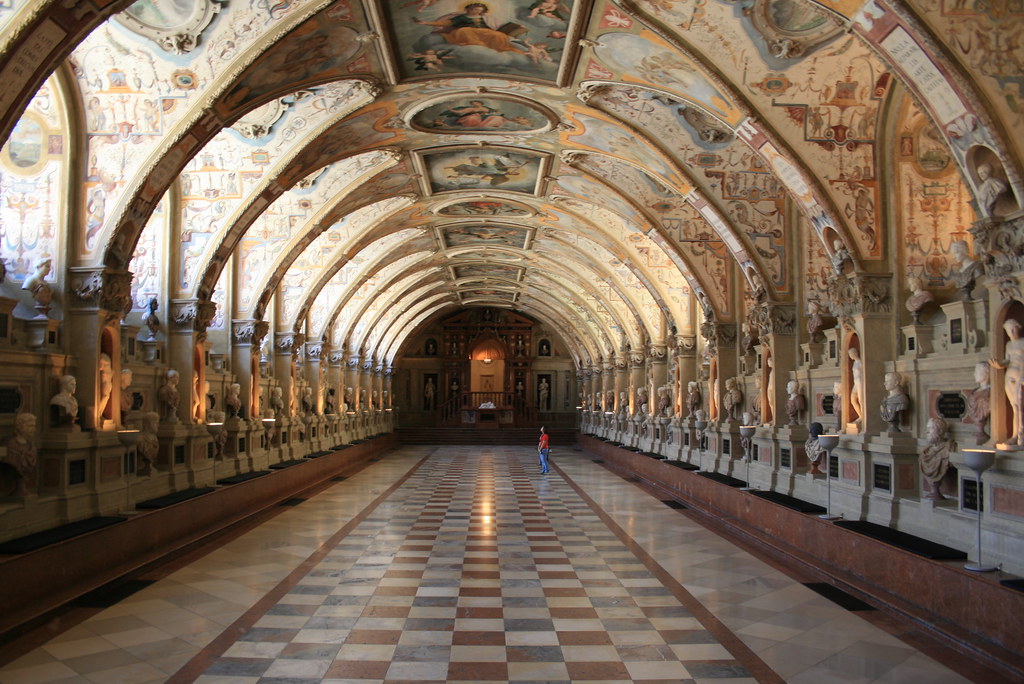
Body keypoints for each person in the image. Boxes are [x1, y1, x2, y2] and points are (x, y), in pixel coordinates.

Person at [413, 3, 526, 55]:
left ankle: (500, 48)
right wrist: (426, 22)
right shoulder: (461, 17)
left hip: (484, 32)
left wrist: (517, 27)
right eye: (476, 9)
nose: (477, 11)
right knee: (465, 31)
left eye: (480, 10)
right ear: (469, 8)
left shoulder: (485, 19)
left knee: (499, 35)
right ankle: (477, 47)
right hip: (465, 31)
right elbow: (445, 23)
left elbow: (500, 28)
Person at [990, 318, 1024, 446]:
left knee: (1020, 406)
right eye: (1008, 331)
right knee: (1014, 406)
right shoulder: (1009, 345)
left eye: (1013, 329)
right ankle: (1015, 435)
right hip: (1009, 375)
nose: (1011, 333)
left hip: (1020, 376)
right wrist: (999, 365)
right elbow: (1008, 360)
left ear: (1018, 327)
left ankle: (1020, 435)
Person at [848, 347, 864, 426]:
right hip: (856, 383)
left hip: (860, 382)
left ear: (855, 353)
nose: (850, 355)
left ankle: (862, 418)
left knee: (861, 401)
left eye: (850, 353)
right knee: (853, 400)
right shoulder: (854, 363)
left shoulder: (861, 362)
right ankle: (861, 416)